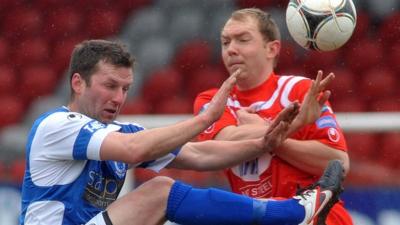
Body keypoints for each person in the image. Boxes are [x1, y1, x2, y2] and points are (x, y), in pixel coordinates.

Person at [20, 39, 344, 225]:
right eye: (109, 86)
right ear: (78, 82)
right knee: (159, 190)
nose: (118, 98)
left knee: (165, 192)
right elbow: (134, 150)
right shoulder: (56, 125)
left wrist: (263, 142)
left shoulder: (123, 132)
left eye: (125, 88)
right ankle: (291, 214)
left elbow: (199, 154)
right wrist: (205, 120)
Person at [193, 8, 353, 225]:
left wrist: (270, 139)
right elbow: (222, 143)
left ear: (272, 49)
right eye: (225, 42)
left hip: (318, 218)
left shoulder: (300, 91)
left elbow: (338, 163)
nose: (231, 49)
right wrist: (292, 126)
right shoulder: (212, 101)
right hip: (260, 217)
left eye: (242, 40)